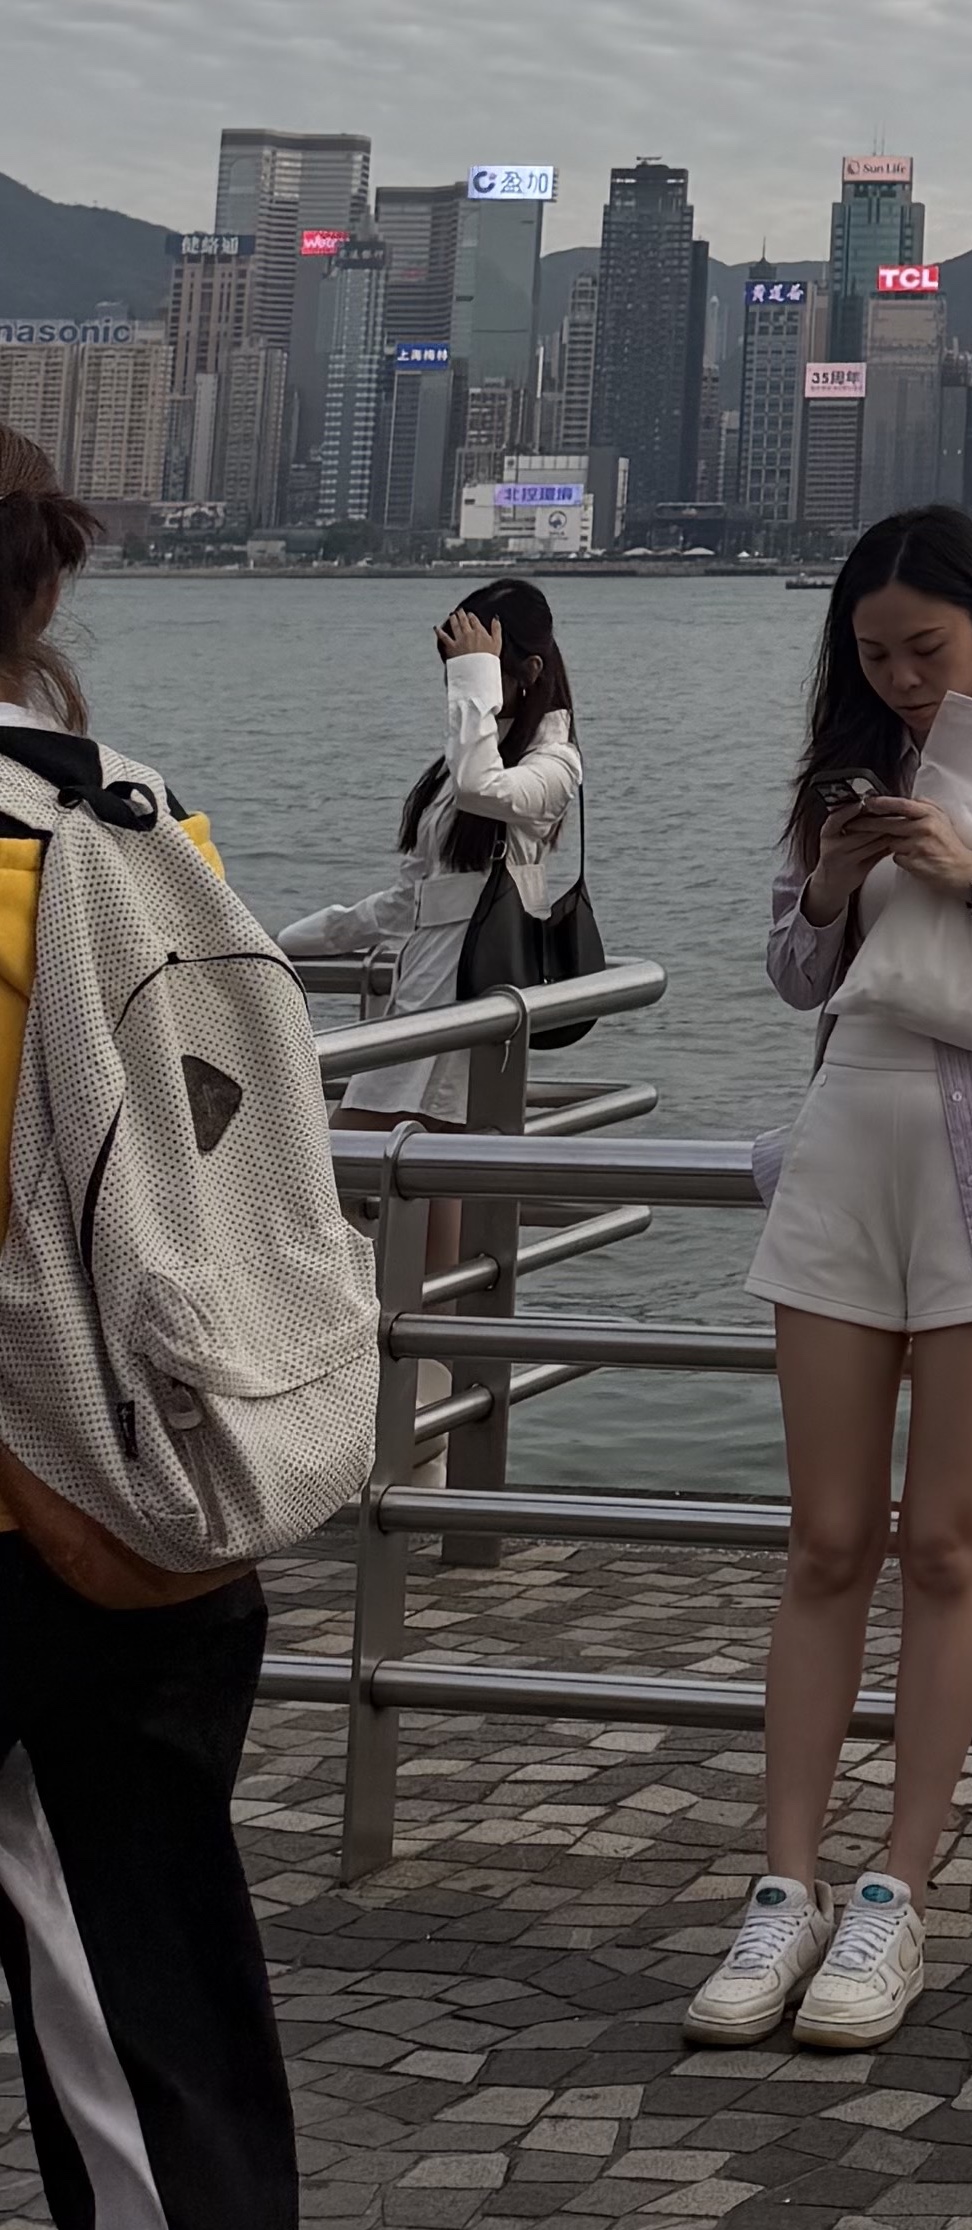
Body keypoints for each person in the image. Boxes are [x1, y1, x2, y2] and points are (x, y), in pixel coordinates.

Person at [684, 506, 972, 2055]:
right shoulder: (845, 770)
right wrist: (828, 881)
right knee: (827, 1539)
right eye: (874, 652)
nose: (897, 677)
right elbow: (795, 974)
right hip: (845, 1151)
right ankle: (782, 1884)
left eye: (923, 648)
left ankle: (895, 1889)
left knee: (947, 1544)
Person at [0, 425, 301, 2227]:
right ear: (44, 587)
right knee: (151, 2015)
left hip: (28, 1515)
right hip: (154, 1475)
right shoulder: (137, 815)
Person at [273, 576, 584, 1133]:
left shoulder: (554, 766)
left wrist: (474, 685)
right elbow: (408, 901)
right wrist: (289, 941)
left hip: (473, 995)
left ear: (527, 672)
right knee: (431, 1191)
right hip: (423, 993)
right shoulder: (458, 766)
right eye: (454, 667)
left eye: (477, 666)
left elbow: (480, 787)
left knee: (362, 1164)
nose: (456, 683)